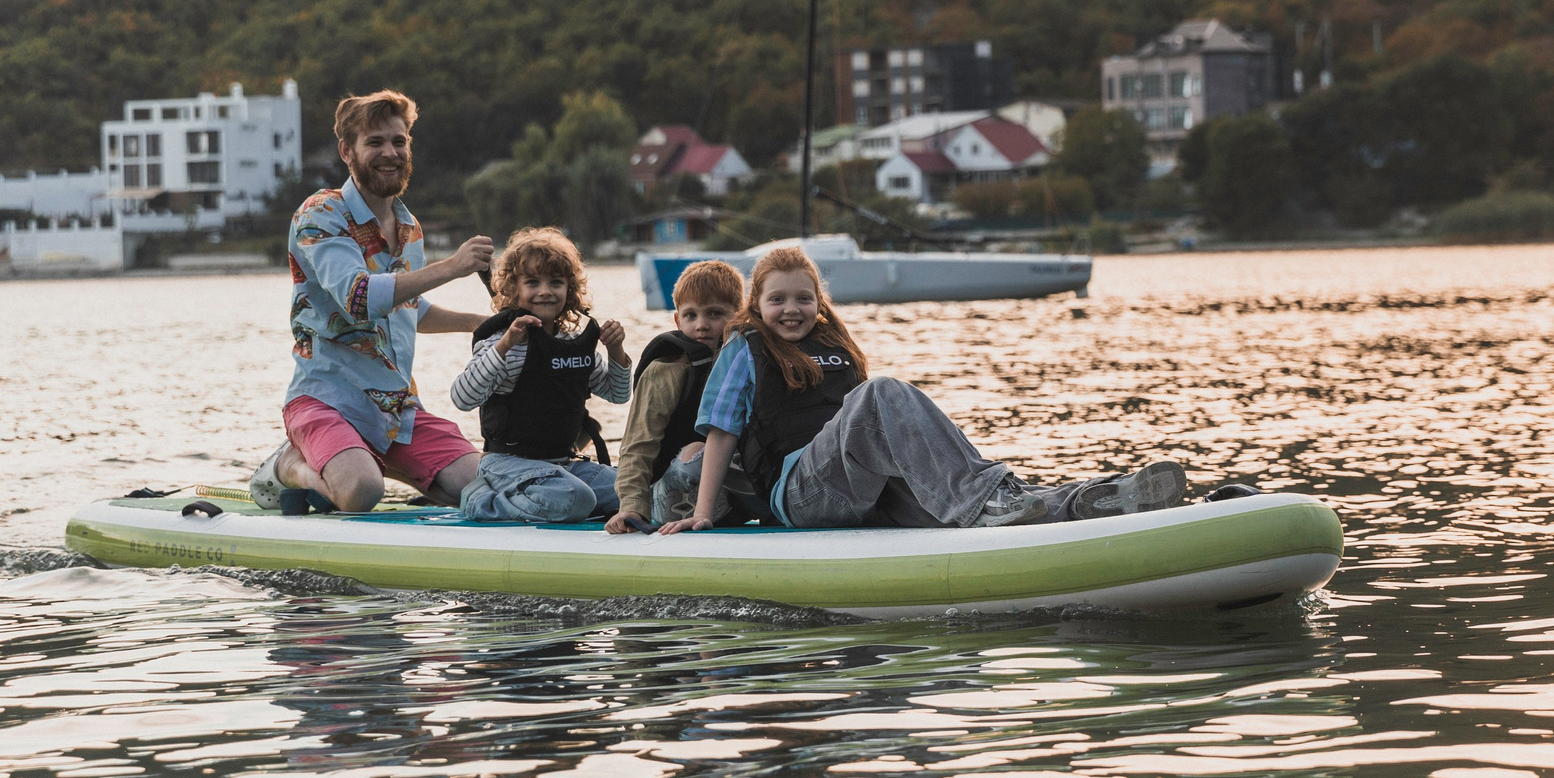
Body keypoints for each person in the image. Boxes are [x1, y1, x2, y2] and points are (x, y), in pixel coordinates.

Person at [656, 245, 1188, 533]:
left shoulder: (835, 344)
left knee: (964, 499)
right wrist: (703, 513)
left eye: (803, 298)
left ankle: (1080, 502)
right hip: (800, 494)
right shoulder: (742, 349)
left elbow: (872, 437)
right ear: (757, 303)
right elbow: (722, 433)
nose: (791, 310)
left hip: (861, 491)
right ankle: (997, 498)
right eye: (777, 300)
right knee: (885, 394)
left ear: (819, 301)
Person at [252, 89, 494, 514]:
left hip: (395, 410)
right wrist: (453, 267)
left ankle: (375, 459)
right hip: (325, 400)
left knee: (480, 488)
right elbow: (359, 297)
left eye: (398, 142)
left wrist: (479, 323)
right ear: (347, 151)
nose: (390, 153)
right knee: (363, 492)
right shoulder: (320, 214)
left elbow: (407, 309)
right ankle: (290, 464)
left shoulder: (409, 227)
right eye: (375, 142)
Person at [449, 225, 632, 522]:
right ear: (514, 290)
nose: (545, 291)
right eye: (532, 282)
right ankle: (482, 501)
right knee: (577, 497)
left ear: (569, 290)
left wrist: (616, 351)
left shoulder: (572, 343)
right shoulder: (500, 342)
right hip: (506, 463)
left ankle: (555, 504)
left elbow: (618, 394)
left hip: (562, 464)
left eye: (556, 282)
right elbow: (462, 398)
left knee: (634, 488)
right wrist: (505, 345)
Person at [605, 259, 743, 533]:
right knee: (696, 453)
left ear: (739, 315)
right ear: (678, 320)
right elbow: (637, 445)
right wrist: (632, 506)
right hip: (675, 490)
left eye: (714, 314)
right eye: (691, 316)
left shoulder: (748, 360)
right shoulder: (664, 370)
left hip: (727, 486)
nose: (701, 325)